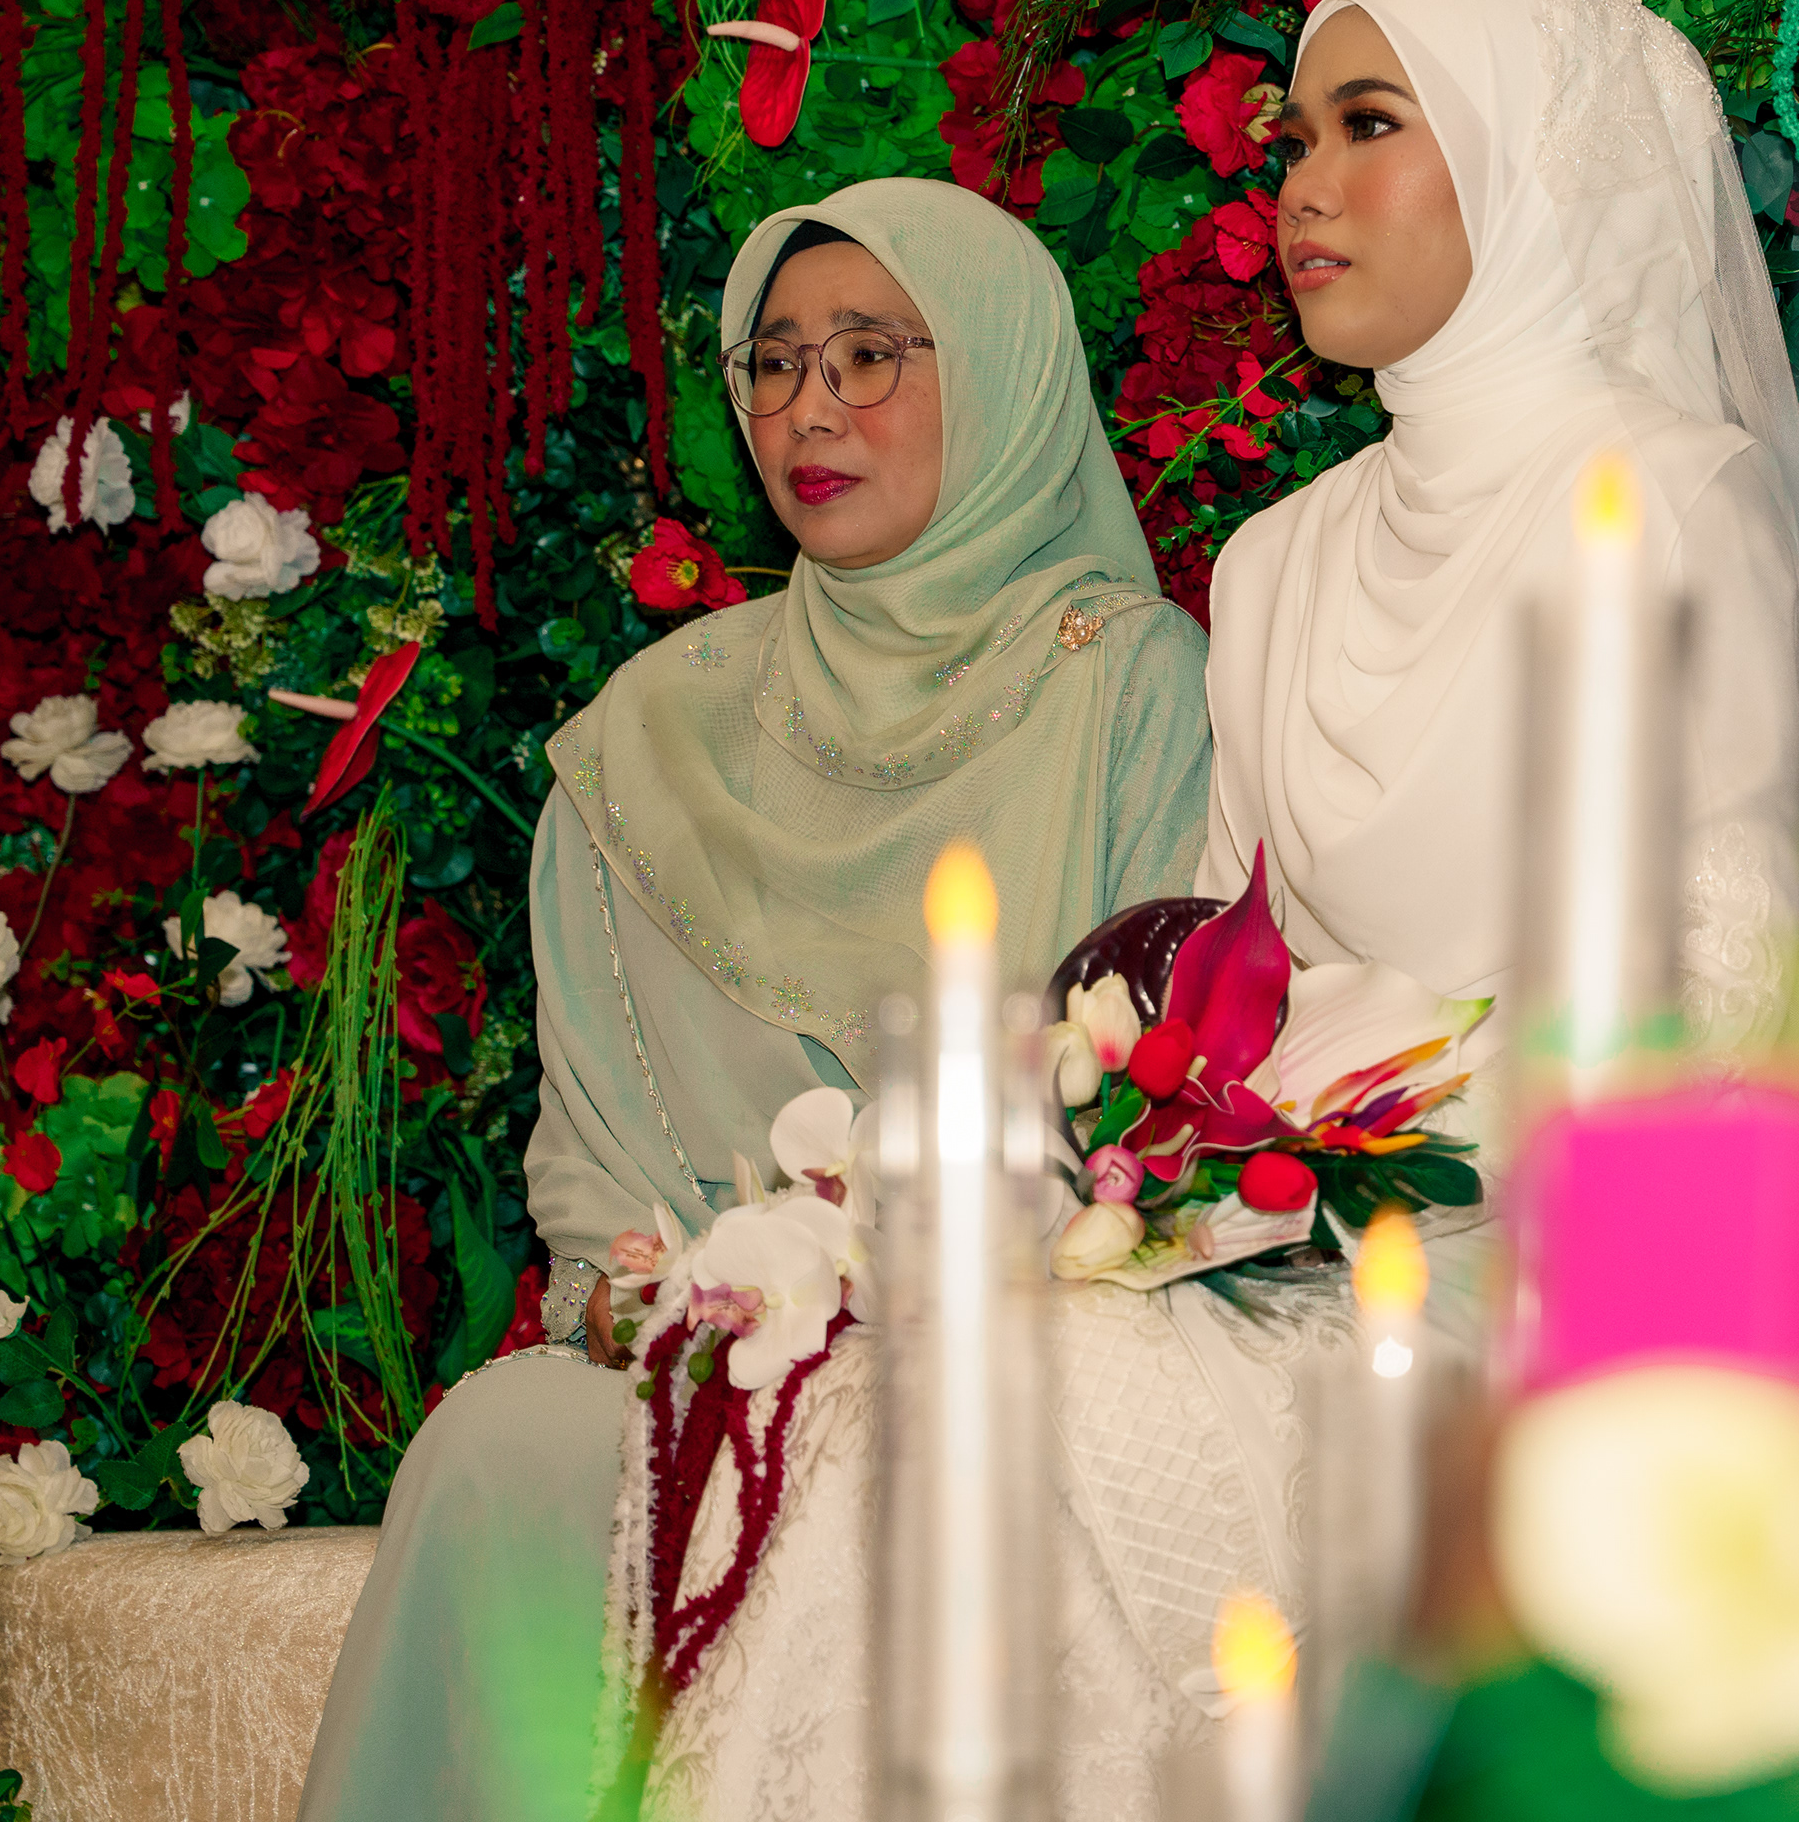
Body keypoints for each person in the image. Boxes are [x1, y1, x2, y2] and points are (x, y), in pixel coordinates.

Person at [297, 178, 1212, 1822]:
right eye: (774, 363)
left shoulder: (1128, 684)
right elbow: (600, 1187)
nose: (810, 409)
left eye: (870, 354)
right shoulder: (657, 732)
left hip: (1031, 1345)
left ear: (1004, 376)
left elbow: (1168, 1094)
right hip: (705, 1352)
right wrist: (666, 1296)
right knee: (507, 1438)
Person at [1200, 0, 1799, 1047]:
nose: (1302, 192)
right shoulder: (1271, 563)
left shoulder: (1675, 501)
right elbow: (1215, 975)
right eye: (1294, 145)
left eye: (1368, 124)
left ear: (1522, 168)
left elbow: (1731, 977)